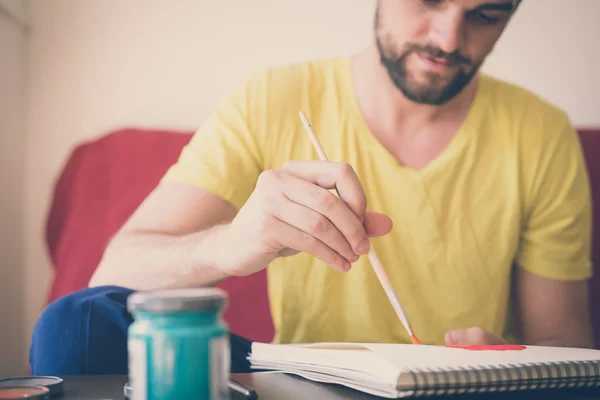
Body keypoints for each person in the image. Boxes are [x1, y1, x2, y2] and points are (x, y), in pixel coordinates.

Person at [30, 0, 595, 376]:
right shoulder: (273, 99)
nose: (449, 37)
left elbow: (567, 345)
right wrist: (230, 245)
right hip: (302, 379)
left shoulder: (540, 133)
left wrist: (512, 366)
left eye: (486, 14)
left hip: (451, 383)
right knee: (72, 325)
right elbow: (115, 272)